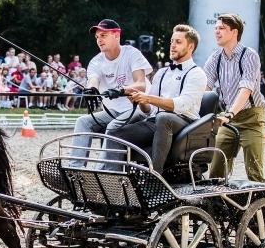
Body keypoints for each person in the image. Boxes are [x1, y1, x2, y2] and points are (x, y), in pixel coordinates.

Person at [104, 25, 207, 173]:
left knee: (164, 118)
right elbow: (150, 110)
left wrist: (149, 98)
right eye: (172, 41)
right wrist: (140, 102)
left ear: (191, 47)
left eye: (178, 42)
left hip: (184, 123)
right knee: (114, 134)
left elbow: (182, 105)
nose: (172, 45)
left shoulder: (196, 74)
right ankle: (114, 181)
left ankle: (154, 176)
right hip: (156, 121)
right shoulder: (161, 73)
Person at [70, 19, 152, 167]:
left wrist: (121, 90)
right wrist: (91, 90)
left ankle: (103, 171)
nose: (99, 40)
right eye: (97, 37)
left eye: (103, 35)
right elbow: (93, 81)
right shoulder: (96, 62)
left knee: (113, 127)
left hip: (138, 109)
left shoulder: (132, 53)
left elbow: (141, 84)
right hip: (113, 111)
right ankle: (74, 169)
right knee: (82, 121)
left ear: (116, 35)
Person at [204, 13, 265, 183]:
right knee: (216, 171)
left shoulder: (249, 55)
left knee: (254, 172)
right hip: (228, 119)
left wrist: (230, 114)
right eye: (216, 28)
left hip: (252, 118)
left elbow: (245, 90)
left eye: (222, 28)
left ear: (234, 32)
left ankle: (261, 200)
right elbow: (205, 90)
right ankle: (218, 199)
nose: (217, 31)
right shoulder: (214, 59)